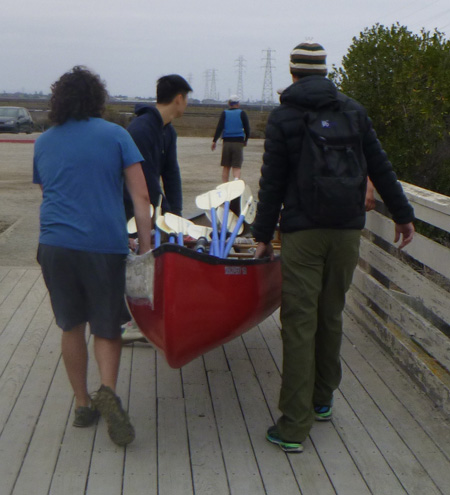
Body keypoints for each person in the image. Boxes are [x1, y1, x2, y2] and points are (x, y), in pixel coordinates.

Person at [252, 42, 415, 453]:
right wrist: (403, 214)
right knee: (331, 314)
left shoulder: (284, 116)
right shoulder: (353, 111)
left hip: (303, 233)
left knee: (300, 322)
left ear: (292, 74)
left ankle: (293, 426)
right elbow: (380, 165)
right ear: (324, 72)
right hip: (346, 231)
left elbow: (271, 183)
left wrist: (261, 236)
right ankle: (322, 400)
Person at [33, 66, 152, 446]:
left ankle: (82, 405)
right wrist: (146, 247)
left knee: (71, 325)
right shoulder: (117, 135)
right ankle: (108, 393)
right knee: (107, 325)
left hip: (55, 245)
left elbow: (48, 192)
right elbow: (142, 198)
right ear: (97, 99)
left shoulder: (44, 141)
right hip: (103, 245)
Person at [124, 74, 192, 220]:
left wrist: (176, 214)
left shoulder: (168, 131)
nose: (187, 103)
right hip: (132, 211)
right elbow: (146, 180)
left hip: (151, 208)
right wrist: (166, 213)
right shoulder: (141, 130)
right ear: (179, 99)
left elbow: (171, 174)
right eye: (187, 98)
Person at [211, 95, 250, 182]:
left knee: (226, 166)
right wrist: (246, 139)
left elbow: (219, 127)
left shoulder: (225, 113)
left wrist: (214, 141)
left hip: (227, 142)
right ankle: (236, 183)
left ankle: (225, 185)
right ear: (238, 104)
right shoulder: (242, 113)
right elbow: (247, 128)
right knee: (236, 166)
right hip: (238, 142)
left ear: (229, 104)